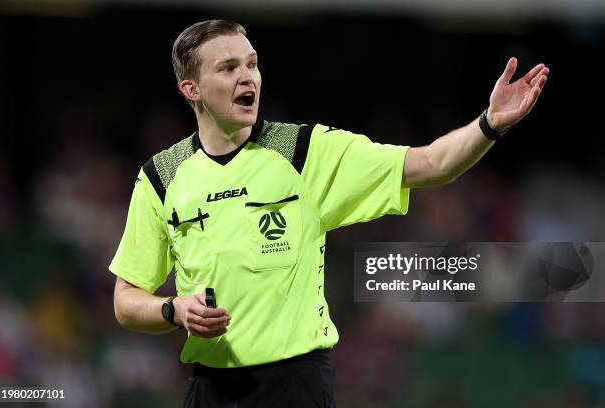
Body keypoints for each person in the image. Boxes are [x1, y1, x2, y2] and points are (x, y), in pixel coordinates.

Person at [110, 19, 549, 407]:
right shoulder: (162, 178)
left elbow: (431, 164)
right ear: (192, 90)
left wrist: (490, 123)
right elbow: (126, 300)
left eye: (252, 64)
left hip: (296, 387)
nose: (248, 77)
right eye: (228, 69)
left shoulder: (303, 152)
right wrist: (174, 310)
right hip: (210, 390)